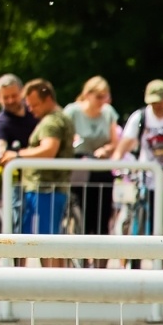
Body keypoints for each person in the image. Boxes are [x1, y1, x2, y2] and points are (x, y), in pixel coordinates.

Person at [0, 79, 74, 248]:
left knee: (45, 245)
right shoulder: (60, 117)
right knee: (49, 243)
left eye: (35, 105)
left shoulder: (51, 122)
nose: (30, 110)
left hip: (45, 190)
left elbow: (48, 150)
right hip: (50, 189)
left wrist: (16, 155)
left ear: (47, 100)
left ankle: (51, 275)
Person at [112, 79, 163, 236]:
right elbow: (125, 142)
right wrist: (116, 160)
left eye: (159, 101)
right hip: (146, 178)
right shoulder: (139, 117)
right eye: (152, 102)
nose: (156, 106)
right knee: (140, 218)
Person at [64, 76, 121, 235]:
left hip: (100, 165)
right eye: (99, 97)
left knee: (102, 216)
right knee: (83, 212)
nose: (102, 101)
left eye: (105, 96)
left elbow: (115, 142)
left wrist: (106, 149)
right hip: (78, 165)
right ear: (88, 94)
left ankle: (100, 256)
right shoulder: (72, 111)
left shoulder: (108, 112)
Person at [0, 74, 38, 166]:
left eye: (14, 96)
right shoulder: (1, 122)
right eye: (6, 98)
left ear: (22, 92)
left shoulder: (35, 111)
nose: (10, 101)